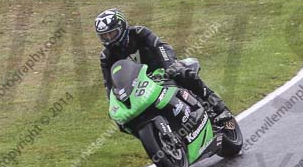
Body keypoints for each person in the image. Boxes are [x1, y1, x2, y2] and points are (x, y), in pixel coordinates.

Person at [96, 8, 231, 123]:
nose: (108, 39)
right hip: (139, 83)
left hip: (160, 67)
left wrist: (168, 66)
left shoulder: (139, 33)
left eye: (112, 33)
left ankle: (218, 107)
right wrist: (113, 103)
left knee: (180, 73)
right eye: (104, 36)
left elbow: (159, 46)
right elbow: (110, 84)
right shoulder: (106, 56)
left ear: (122, 27)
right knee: (124, 117)